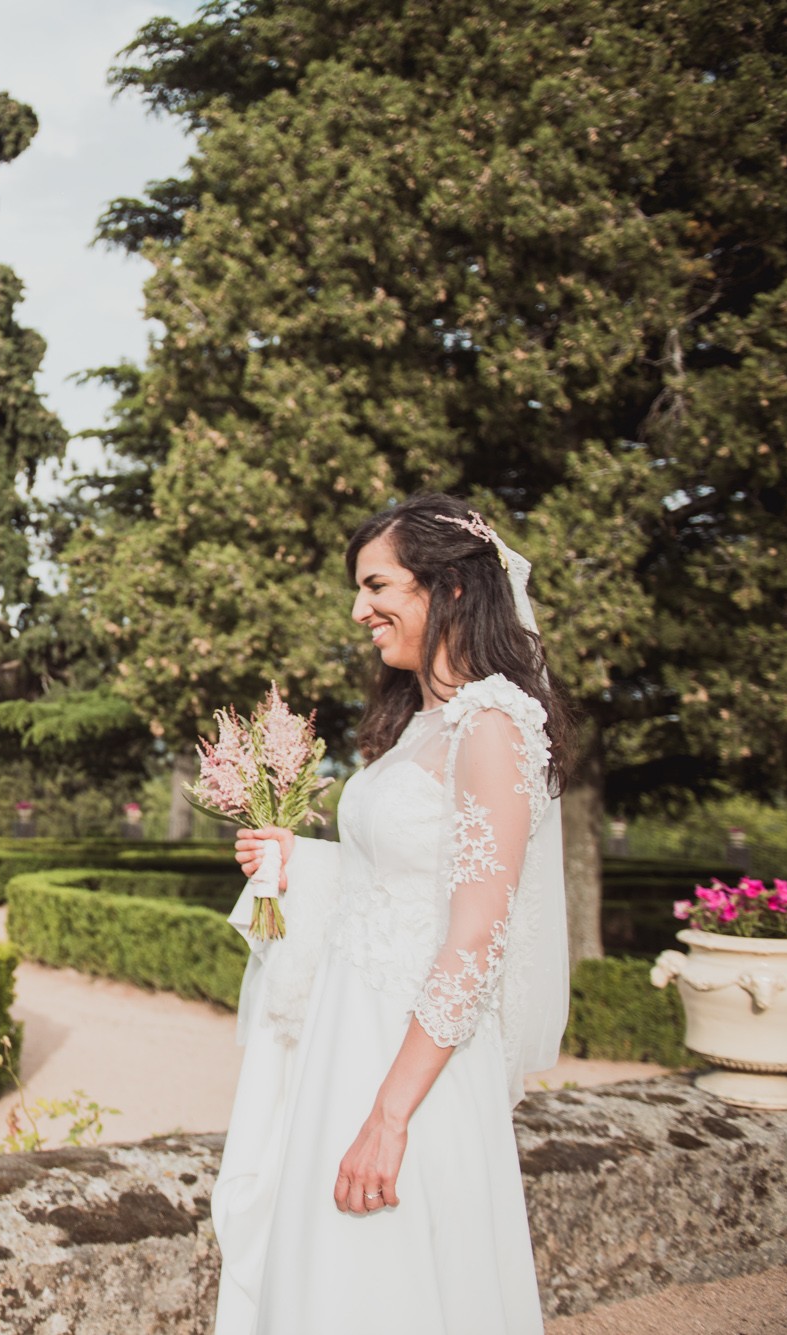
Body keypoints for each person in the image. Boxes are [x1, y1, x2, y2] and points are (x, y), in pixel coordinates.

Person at [212, 494, 576, 1335]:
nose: (358, 608)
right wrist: (302, 859)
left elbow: (478, 932)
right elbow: (404, 879)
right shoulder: (422, 725)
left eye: (377, 585)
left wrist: (389, 1115)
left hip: (414, 1063)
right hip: (350, 1035)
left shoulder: (494, 725)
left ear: (449, 587)